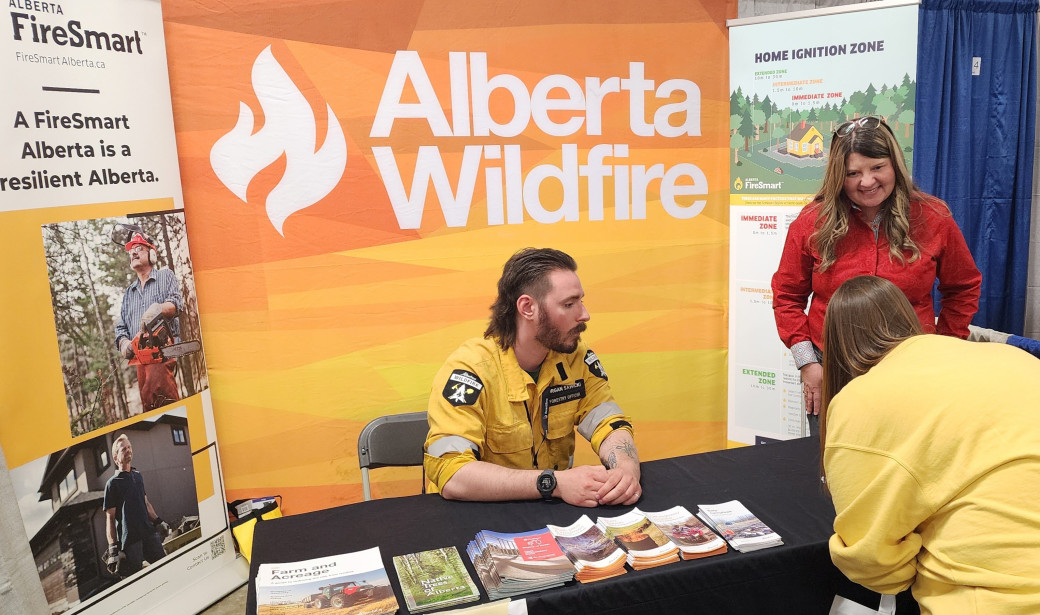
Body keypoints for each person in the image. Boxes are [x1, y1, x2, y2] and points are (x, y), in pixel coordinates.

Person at [819, 276, 1040, 615]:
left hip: (999, 595)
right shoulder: (1010, 358)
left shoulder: (859, 401)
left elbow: (875, 565)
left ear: (834, 342)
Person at [771, 115, 981, 433]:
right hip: (833, 368)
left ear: (894, 164)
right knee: (838, 466)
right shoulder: (813, 221)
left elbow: (963, 287)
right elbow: (787, 294)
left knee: (903, 465)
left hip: (912, 367)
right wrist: (807, 362)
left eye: (877, 167)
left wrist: (945, 348)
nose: (866, 182)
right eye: (853, 173)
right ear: (838, 176)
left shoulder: (933, 217)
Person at [424, 248, 641, 507]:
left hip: (552, 516)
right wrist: (554, 483)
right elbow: (453, 475)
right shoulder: (470, 370)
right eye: (569, 304)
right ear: (527, 307)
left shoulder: (575, 358)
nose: (584, 315)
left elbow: (609, 424)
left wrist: (626, 471)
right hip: (478, 515)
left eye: (581, 301)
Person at [114, 231, 183, 411]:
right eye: (131, 251)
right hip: (139, 357)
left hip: (161, 349)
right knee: (148, 401)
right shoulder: (129, 293)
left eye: (139, 248)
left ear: (151, 253)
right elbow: (121, 327)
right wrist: (125, 344)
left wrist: (159, 308)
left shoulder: (164, 276)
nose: (133, 253)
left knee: (161, 394)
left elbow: (177, 304)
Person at [103, 434, 172, 576]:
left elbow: (146, 504)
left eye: (129, 447)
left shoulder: (138, 476)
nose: (128, 450)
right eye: (123, 449)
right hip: (130, 541)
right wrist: (113, 548)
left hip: (149, 533)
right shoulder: (112, 484)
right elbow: (110, 518)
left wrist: (159, 521)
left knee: (166, 569)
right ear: (115, 458)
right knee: (136, 579)